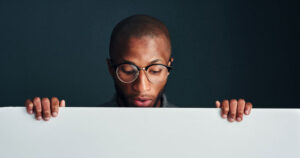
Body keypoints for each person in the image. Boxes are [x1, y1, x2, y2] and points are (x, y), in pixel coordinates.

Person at [25, 14, 252, 122]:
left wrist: (235, 124)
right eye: (128, 70)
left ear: (169, 67)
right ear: (110, 68)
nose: (141, 87)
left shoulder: (195, 127)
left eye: (154, 70)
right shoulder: (82, 126)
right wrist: (36, 122)